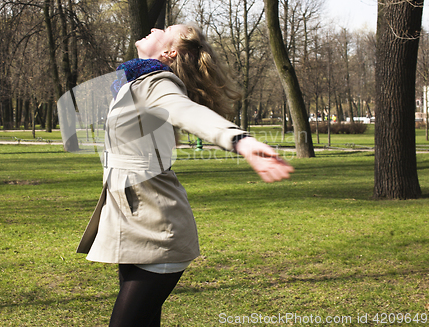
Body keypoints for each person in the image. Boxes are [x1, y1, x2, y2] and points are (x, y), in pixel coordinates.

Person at [76, 24, 294, 327]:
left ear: (169, 53)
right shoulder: (134, 83)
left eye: (164, 29)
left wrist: (238, 139)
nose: (154, 27)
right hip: (133, 224)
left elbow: (185, 110)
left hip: (158, 230)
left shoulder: (158, 82)